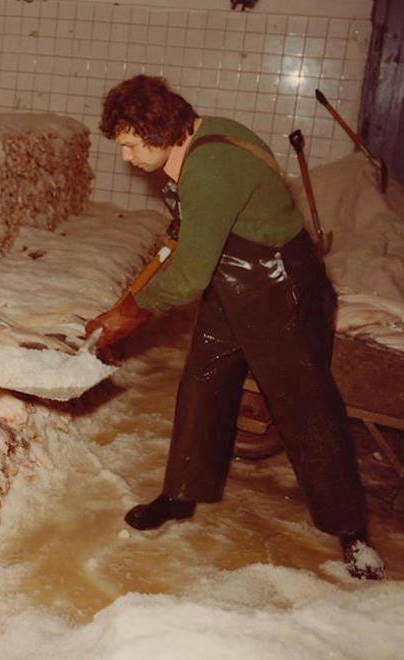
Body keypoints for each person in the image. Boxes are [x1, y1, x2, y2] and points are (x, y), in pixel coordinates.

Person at [86, 74, 384, 580]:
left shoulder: (211, 166)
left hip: (279, 285)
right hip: (233, 275)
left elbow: (187, 276)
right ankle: (181, 495)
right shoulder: (194, 141)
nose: (126, 156)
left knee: (304, 406)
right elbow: (180, 242)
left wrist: (127, 318)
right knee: (203, 382)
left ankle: (352, 532)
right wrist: (126, 302)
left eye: (131, 145)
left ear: (159, 132)